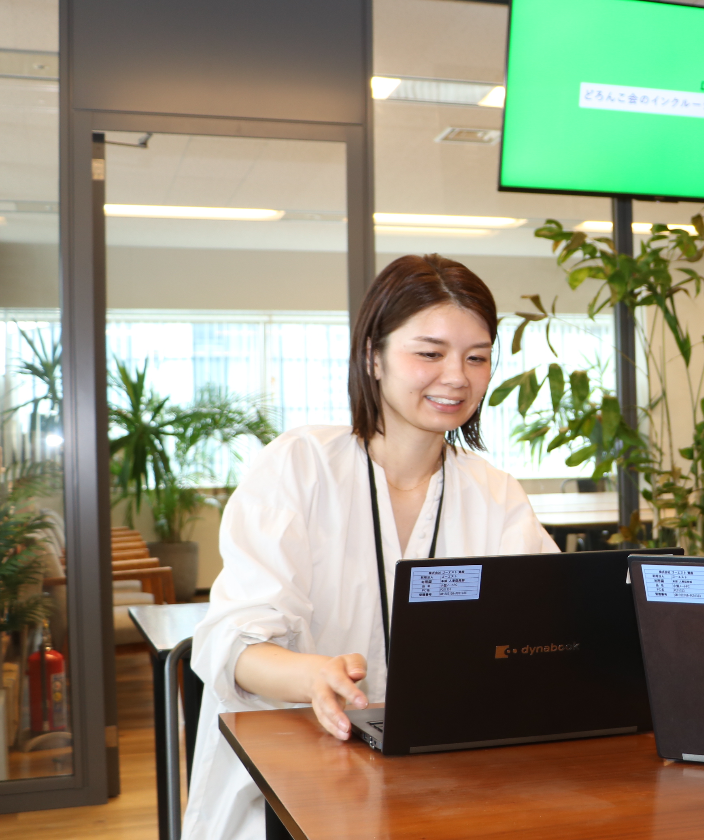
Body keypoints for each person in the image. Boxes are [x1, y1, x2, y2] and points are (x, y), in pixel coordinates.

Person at [184, 254, 559, 840]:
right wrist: (312, 676)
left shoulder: (494, 492)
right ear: (372, 357)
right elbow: (232, 645)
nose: (457, 377)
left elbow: (549, 629)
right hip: (293, 778)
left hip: (448, 780)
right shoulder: (301, 466)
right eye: (429, 353)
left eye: (476, 357)